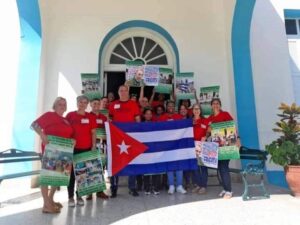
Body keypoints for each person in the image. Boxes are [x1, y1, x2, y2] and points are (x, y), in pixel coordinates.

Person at [31, 97, 73, 214]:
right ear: (55, 106)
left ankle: (49, 201)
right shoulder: (50, 115)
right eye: (60, 104)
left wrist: (71, 141)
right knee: (46, 177)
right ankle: (46, 204)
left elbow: (67, 134)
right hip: (50, 151)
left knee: (57, 177)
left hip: (63, 152)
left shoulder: (66, 120)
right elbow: (35, 125)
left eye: (64, 104)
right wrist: (42, 135)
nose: (62, 106)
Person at [108, 85, 141, 197]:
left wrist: (138, 134)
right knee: (115, 163)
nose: (123, 92)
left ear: (128, 92)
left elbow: (137, 120)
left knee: (132, 162)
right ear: (118, 92)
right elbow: (110, 120)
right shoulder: (113, 105)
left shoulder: (133, 104)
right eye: (121, 90)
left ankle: (132, 187)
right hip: (116, 139)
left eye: (125, 90)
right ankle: (114, 188)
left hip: (130, 138)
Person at [66, 95, 97, 207]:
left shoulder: (91, 117)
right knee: (71, 175)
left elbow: (93, 133)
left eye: (84, 102)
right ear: (77, 103)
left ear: (87, 104)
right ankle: (70, 197)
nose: (82, 104)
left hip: (86, 148)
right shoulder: (70, 115)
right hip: (72, 149)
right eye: (80, 102)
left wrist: (93, 145)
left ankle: (79, 196)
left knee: (82, 174)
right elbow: (65, 131)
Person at [207, 98, 241, 199]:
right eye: (213, 104)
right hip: (215, 146)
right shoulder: (210, 117)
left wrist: (238, 139)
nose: (215, 105)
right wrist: (207, 132)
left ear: (220, 105)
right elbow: (208, 132)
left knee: (224, 167)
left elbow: (233, 128)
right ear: (211, 106)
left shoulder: (225, 114)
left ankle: (229, 191)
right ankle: (225, 188)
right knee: (220, 168)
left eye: (217, 103)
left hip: (226, 146)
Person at [158, 100, 186, 194]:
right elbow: (159, 131)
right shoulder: (162, 117)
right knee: (169, 166)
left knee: (179, 165)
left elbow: (184, 129)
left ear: (174, 107)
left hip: (178, 145)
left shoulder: (179, 117)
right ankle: (171, 185)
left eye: (172, 106)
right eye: (169, 106)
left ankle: (179, 185)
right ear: (166, 107)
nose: (171, 107)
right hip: (167, 145)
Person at [86, 98, 109, 200]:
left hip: (102, 145)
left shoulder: (103, 117)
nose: (96, 105)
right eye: (94, 103)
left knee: (100, 167)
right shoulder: (86, 116)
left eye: (98, 103)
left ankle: (100, 191)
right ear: (90, 104)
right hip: (89, 145)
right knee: (89, 167)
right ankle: (89, 192)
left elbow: (108, 130)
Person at [192, 103, 209, 194]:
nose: (196, 110)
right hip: (192, 146)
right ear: (192, 110)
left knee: (203, 167)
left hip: (203, 146)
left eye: (198, 109)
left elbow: (209, 131)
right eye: (195, 109)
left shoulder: (205, 120)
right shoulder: (190, 121)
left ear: (200, 110)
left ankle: (203, 186)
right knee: (195, 167)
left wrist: (206, 136)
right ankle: (198, 185)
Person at [142, 108, 160, 195]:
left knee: (155, 169)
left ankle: (155, 187)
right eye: (147, 113)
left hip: (154, 150)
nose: (148, 115)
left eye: (150, 114)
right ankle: (147, 188)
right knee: (146, 170)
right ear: (144, 115)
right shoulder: (140, 126)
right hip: (145, 150)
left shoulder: (155, 125)